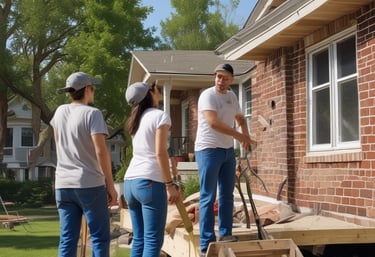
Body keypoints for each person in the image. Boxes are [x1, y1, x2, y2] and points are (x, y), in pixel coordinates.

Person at [50, 71, 118, 257]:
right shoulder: (93, 114)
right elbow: (100, 151)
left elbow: (59, 144)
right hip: (89, 183)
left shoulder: (59, 112)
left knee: (67, 239)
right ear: (88, 89)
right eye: (93, 88)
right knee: (99, 237)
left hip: (63, 184)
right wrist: (110, 186)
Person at [194, 63, 255, 256]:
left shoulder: (232, 97)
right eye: (218, 77)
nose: (221, 81)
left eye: (225, 78)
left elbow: (241, 119)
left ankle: (226, 233)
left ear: (231, 80)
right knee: (207, 196)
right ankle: (206, 242)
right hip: (208, 150)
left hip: (228, 151)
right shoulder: (207, 95)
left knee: (227, 195)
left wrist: (246, 138)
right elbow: (213, 123)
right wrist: (240, 137)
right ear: (215, 77)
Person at [124, 81, 180, 257]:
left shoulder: (136, 120)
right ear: (150, 93)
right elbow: (159, 152)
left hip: (130, 183)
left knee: (139, 239)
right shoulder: (159, 116)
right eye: (156, 89)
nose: (158, 92)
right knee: (153, 240)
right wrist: (169, 184)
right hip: (149, 182)